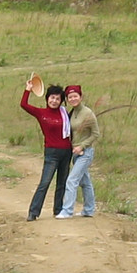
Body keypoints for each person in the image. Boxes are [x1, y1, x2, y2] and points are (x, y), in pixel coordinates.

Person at [20, 73, 72, 221]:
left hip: (66, 152)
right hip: (51, 153)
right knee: (45, 182)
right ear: (47, 98)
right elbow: (24, 105)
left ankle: (58, 210)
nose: (54, 101)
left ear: (61, 101)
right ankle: (33, 212)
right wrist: (28, 89)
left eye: (57, 99)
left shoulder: (65, 114)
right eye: (52, 98)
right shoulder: (41, 113)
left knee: (62, 183)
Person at [55, 84, 99, 218]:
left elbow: (95, 134)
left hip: (85, 153)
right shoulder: (71, 113)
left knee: (71, 180)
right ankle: (89, 210)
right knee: (85, 182)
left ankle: (67, 211)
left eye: (75, 96)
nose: (73, 99)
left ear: (81, 97)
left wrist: (82, 146)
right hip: (75, 153)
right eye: (70, 97)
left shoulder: (88, 113)